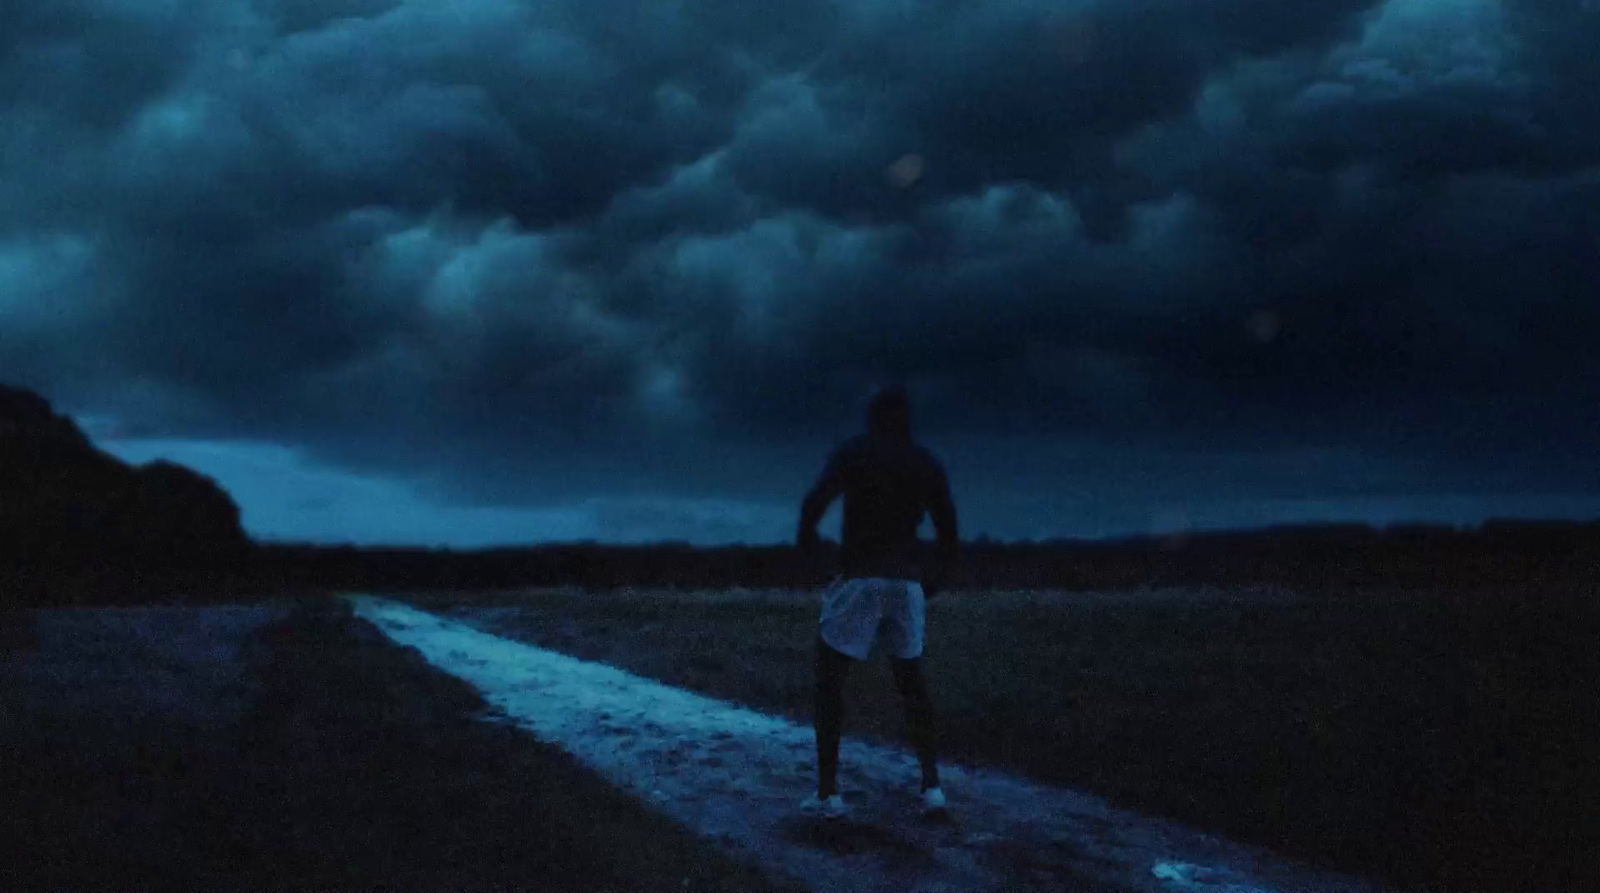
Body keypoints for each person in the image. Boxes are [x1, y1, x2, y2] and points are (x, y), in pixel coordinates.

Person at [795, 383, 959, 820]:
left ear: (872, 419)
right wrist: (933, 581)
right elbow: (948, 532)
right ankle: (932, 787)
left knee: (830, 681)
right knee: (913, 684)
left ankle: (829, 795)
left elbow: (814, 504)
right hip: (906, 582)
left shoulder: (853, 453)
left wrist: (810, 549)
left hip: (861, 576)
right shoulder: (926, 462)